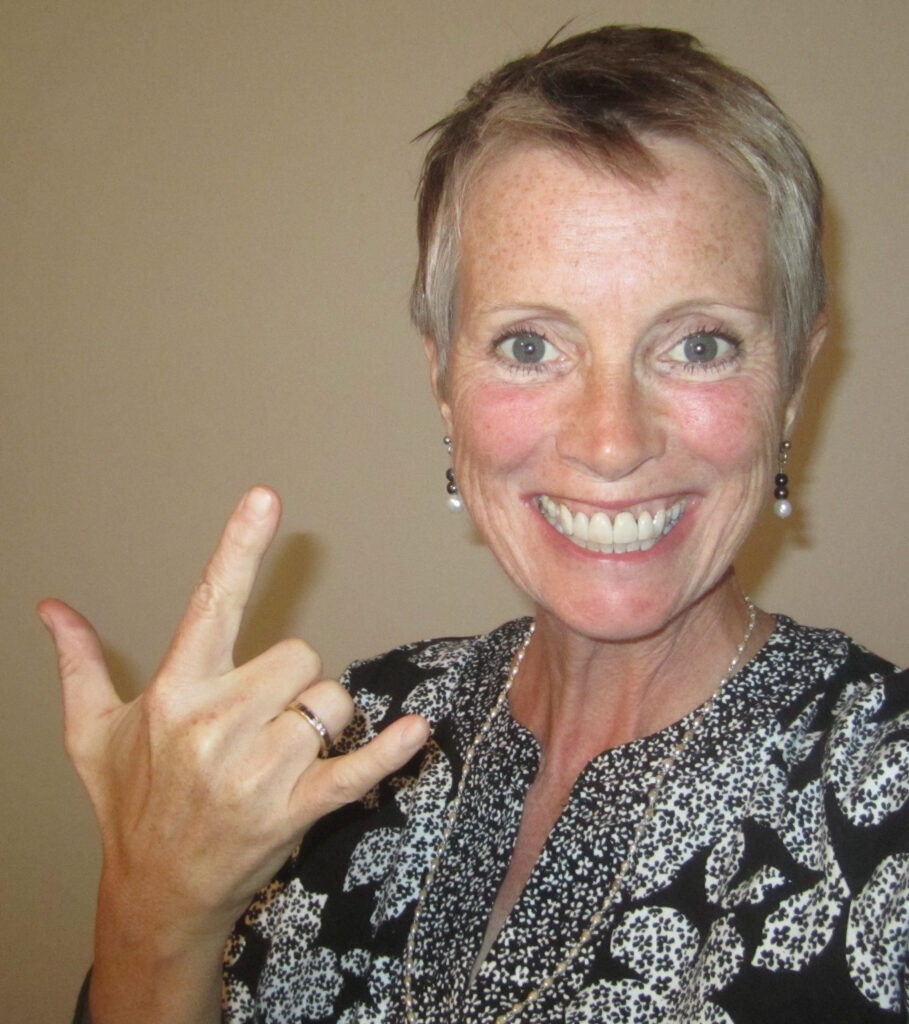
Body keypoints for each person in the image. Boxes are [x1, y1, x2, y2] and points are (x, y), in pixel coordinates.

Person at [41, 25, 907, 1024]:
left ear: (792, 381)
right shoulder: (334, 748)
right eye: (530, 344)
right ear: (443, 381)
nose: (612, 441)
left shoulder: (883, 799)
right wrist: (151, 916)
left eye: (699, 344)